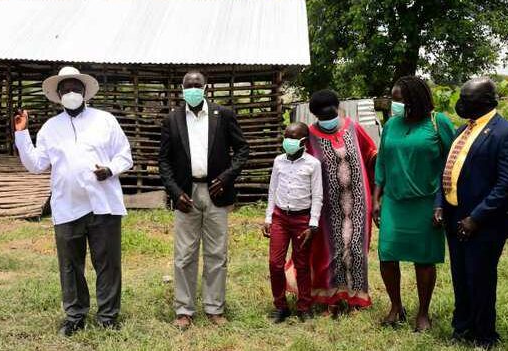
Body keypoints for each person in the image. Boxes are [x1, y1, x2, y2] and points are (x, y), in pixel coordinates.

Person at [13, 66, 133, 336]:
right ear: (57, 95)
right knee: (70, 266)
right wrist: (22, 134)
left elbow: (125, 155)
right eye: (65, 90)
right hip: (67, 207)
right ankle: (75, 316)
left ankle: (108, 317)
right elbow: (36, 164)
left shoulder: (105, 120)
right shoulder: (49, 128)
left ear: (84, 92)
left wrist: (110, 170)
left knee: (108, 264)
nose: (71, 93)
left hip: (104, 204)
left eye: (75, 89)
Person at [434, 77, 508, 348]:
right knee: (461, 276)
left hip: (484, 222)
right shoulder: (462, 130)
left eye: (468, 99)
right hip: (454, 216)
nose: (461, 103)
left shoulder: (506, 132)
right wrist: (440, 203)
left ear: (487, 101)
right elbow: (447, 170)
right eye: (461, 97)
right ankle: (462, 327)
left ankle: (484, 334)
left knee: (481, 278)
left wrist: (476, 217)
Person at [158, 70, 249, 330]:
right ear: (182, 88)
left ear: (206, 87)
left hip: (216, 193)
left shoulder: (223, 115)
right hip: (186, 194)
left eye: (198, 84)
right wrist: (175, 192)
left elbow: (242, 149)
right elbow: (163, 161)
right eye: (189, 85)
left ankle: (214, 308)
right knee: (184, 254)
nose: (194, 88)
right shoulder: (173, 119)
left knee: (216, 254)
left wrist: (227, 177)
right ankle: (184, 310)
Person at [373, 76, 456, 331]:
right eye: (393, 99)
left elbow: (451, 163)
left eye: (399, 100)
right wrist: (376, 199)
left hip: (427, 203)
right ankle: (396, 308)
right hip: (394, 203)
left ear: (415, 99)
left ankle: (423, 313)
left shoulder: (437, 122)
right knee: (387, 256)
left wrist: (441, 202)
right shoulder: (390, 125)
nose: (394, 104)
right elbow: (383, 162)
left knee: (424, 259)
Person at [289, 89, 377, 315]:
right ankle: (330, 299)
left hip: (358, 200)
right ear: (315, 116)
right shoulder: (309, 135)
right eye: (323, 117)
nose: (329, 120)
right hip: (325, 206)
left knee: (356, 249)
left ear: (338, 109)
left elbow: (372, 155)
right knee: (327, 252)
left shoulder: (353, 128)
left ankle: (356, 298)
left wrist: (380, 191)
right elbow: (300, 167)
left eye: (332, 114)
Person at [263, 122, 323, 323]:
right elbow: (272, 190)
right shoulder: (278, 161)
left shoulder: (313, 164)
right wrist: (268, 217)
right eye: (285, 137)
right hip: (280, 217)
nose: (287, 141)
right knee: (275, 263)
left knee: (302, 264)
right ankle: (280, 306)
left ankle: (304, 306)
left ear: (303, 141)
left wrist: (312, 224)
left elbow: (318, 196)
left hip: (302, 220)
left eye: (292, 138)